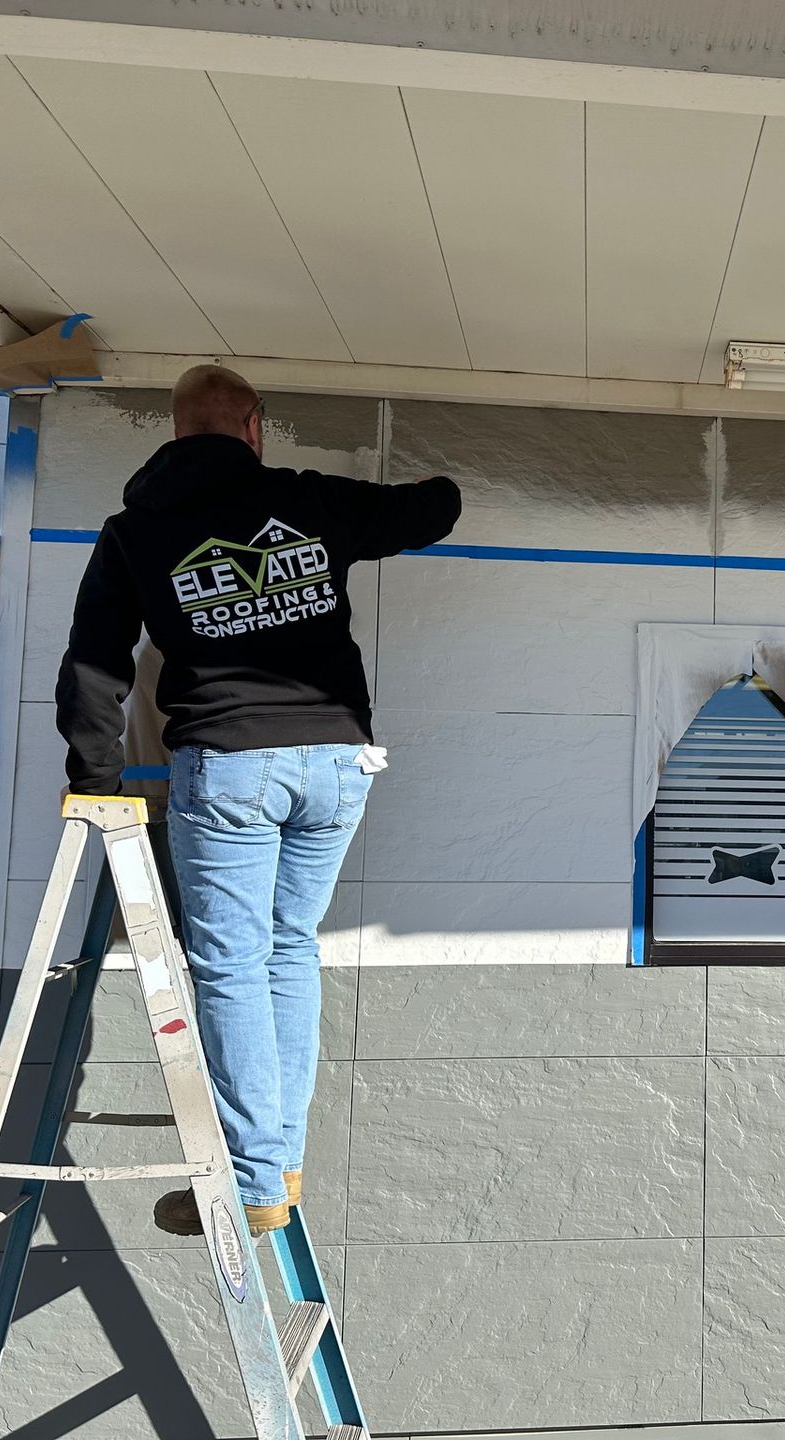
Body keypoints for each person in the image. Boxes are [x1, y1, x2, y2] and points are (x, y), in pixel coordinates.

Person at [55, 364, 460, 1234]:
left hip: (232, 767)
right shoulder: (308, 501)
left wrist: (95, 781)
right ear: (253, 427)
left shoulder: (137, 529)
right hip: (340, 763)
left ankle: (252, 1181)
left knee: (233, 967)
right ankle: (279, 1165)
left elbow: (96, 662)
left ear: (175, 432)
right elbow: (430, 512)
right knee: (287, 953)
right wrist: (442, 480)